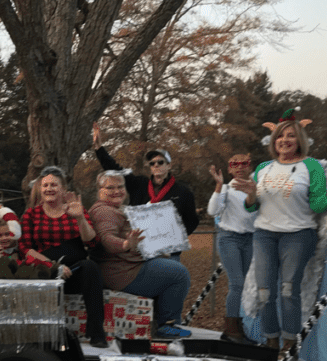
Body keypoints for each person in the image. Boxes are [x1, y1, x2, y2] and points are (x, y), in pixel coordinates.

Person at [230, 110, 327, 353]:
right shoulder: (264, 168)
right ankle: (270, 341)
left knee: (289, 289)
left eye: (290, 135)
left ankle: (289, 344)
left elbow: (317, 205)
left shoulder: (311, 166)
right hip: (265, 235)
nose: (284, 140)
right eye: (280, 136)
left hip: (299, 235)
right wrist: (251, 194)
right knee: (264, 292)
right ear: (273, 140)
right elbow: (252, 207)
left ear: (300, 140)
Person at [89, 171, 192, 338]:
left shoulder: (117, 209)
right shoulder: (105, 211)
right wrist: (125, 244)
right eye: (110, 188)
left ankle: (158, 322)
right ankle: (167, 325)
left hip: (129, 266)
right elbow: (106, 239)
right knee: (178, 274)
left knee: (170, 266)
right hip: (123, 273)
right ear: (100, 191)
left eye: (120, 186)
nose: (117, 191)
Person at [18, 166, 109, 348]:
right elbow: (24, 248)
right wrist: (53, 266)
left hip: (73, 270)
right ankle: (44, 336)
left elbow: (92, 242)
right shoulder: (31, 214)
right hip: (46, 270)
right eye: (45, 185)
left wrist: (80, 218)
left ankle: (96, 332)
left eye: (54, 185)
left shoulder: (75, 210)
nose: (49, 189)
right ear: (40, 189)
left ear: (63, 189)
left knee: (91, 268)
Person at [91, 123, 198, 260]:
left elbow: (192, 221)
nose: (156, 165)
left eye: (160, 162)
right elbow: (116, 169)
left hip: (168, 252)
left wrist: (176, 237)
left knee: (174, 272)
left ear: (169, 165)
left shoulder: (183, 191)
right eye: (152, 163)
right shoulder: (139, 184)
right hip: (139, 250)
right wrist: (99, 149)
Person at [207, 153, 257, 344]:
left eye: (244, 163)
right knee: (237, 283)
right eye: (234, 164)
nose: (239, 167)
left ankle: (243, 326)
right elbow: (212, 211)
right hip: (229, 238)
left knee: (247, 285)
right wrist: (219, 185)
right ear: (229, 169)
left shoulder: (256, 188)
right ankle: (231, 330)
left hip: (250, 239)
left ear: (250, 166)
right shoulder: (226, 189)